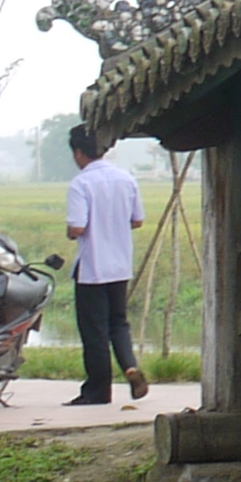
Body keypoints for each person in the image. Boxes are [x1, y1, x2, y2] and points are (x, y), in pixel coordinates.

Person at [65, 124, 145, 406]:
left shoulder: (81, 184)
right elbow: (137, 220)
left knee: (94, 330)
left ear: (78, 153)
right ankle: (130, 367)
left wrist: (71, 230)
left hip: (92, 268)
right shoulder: (126, 179)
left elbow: (77, 226)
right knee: (118, 323)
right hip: (120, 265)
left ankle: (98, 390)